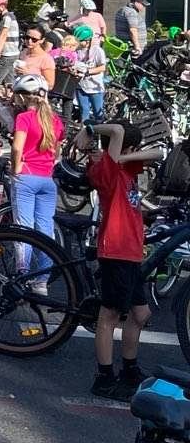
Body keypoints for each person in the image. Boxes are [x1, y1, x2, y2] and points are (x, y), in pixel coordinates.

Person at [83, 121, 165, 400]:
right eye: (133, 148)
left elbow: (158, 154)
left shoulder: (123, 168)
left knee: (141, 314)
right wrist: (91, 128)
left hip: (130, 252)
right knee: (109, 316)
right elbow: (117, 132)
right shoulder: (106, 170)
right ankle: (104, 378)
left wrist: (124, 157)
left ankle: (129, 369)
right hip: (116, 250)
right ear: (124, 148)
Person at [11, 74, 63, 294]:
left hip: (26, 176)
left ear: (24, 97)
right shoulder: (55, 120)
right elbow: (57, 152)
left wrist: (16, 169)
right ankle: (42, 281)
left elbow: (17, 147)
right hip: (47, 179)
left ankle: (22, 274)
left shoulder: (24, 118)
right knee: (45, 230)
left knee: (23, 228)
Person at [73, 25, 108, 123]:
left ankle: (100, 129)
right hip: (81, 86)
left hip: (94, 87)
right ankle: (85, 129)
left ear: (88, 41)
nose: (78, 43)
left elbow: (102, 67)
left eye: (80, 41)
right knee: (84, 111)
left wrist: (88, 71)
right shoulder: (76, 51)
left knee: (98, 112)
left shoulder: (97, 51)